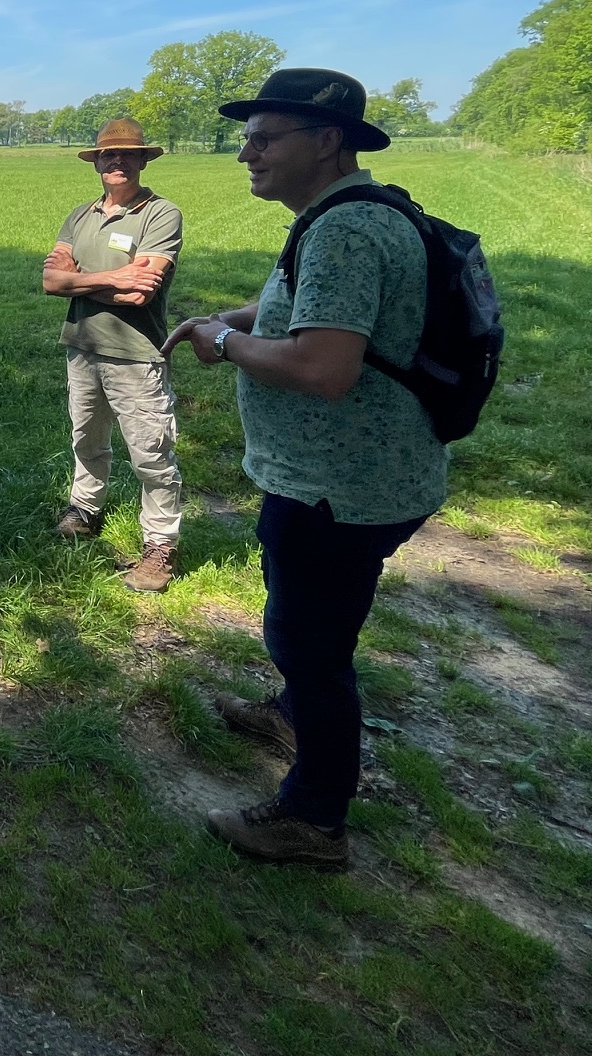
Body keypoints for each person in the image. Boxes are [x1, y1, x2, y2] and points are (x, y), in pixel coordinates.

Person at [164, 68, 445, 870]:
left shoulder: (344, 230)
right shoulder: (357, 212)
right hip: (363, 476)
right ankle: (292, 714)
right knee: (320, 630)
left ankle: (314, 820)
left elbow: (324, 366)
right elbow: (314, 309)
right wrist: (236, 316)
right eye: (246, 138)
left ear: (326, 141)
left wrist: (226, 344)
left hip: (336, 486)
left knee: (310, 644)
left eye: (264, 138)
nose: (246, 153)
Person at [42, 117, 186, 592]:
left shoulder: (161, 214)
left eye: (128, 154)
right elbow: (51, 281)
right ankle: (85, 510)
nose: (117, 161)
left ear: (143, 160)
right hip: (82, 345)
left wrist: (79, 281)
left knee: (151, 452)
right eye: (108, 154)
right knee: (86, 438)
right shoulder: (79, 216)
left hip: (136, 353)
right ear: (96, 162)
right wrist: (114, 277)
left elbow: (140, 293)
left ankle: (160, 546)